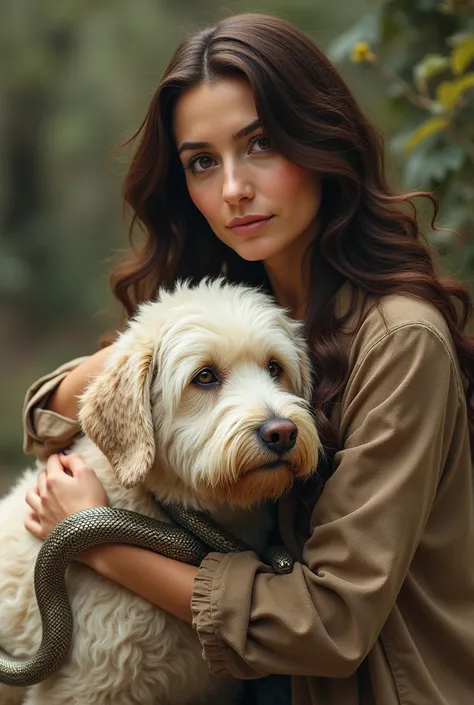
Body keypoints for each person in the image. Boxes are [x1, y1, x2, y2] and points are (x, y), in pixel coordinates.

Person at [21, 11, 474, 705]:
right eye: (203, 161)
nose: (232, 188)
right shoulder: (238, 303)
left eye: (259, 144)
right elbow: (53, 418)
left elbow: (330, 623)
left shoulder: (399, 339)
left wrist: (93, 538)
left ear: (322, 140)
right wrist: (128, 364)